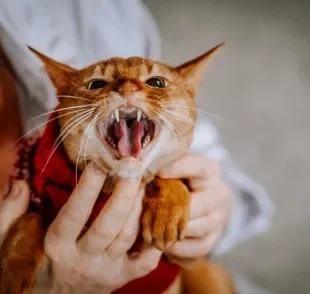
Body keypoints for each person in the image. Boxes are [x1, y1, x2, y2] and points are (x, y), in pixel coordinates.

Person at [0, 0, 273, 292]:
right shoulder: (47, 166)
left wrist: (217, 211)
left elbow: (198, 149)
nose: (127, 89)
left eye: (154, 81)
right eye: (96, 85)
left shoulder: (105, 8)